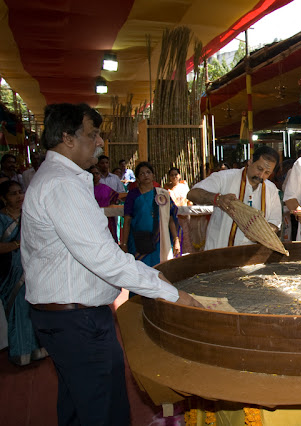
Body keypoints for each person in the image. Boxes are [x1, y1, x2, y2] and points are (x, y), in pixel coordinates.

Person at [21, 103, 202, 426]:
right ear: (67, 138)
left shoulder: (59, 178)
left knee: (81, 404)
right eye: (93, 135)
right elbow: (102, 257)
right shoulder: (61, 184)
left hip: (68, 316)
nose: (101, 142)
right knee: (104, 411)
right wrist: (171, 293)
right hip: (77, 320)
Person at [188, 146, 282, 250]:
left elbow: (275, 222)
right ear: (250, 161)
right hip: (220, 252)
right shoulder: (225, 177)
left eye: (267, 173)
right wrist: (217, 199)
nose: (261, 175)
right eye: (259, 169)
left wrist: (262, 233)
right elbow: (192, 194)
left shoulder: (271, 189)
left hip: (253, 256)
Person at [0, 180, 46, 365]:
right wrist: (18, 244)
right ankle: (21, 352)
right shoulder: (2, 219)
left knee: (34, 308)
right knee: (18, 311)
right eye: (13, 193)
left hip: (34, 268)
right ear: (3, 199)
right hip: (11, 272)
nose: (19, 196)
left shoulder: (29, 214)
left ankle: (39, 349)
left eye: (20, 192)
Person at [121, 162, 180, 266]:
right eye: (142, 174)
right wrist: (124, 244)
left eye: (148, 172)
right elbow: (127, 219)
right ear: (137, 178)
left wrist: (176, 240)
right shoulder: (133, 195)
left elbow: (170, 218)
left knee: (160, 269)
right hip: (138, 240)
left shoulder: (162, 194)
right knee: (141, 270)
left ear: (153, 175)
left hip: (160, 240)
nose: (146, 175)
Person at [89, 165, 120, 242]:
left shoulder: (105, 188)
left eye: (97, 173)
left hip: (107, 218)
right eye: (92, 174)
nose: (95, 176)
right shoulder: (85, 188)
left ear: (100, 175)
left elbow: (116, 197)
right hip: (91, 218)